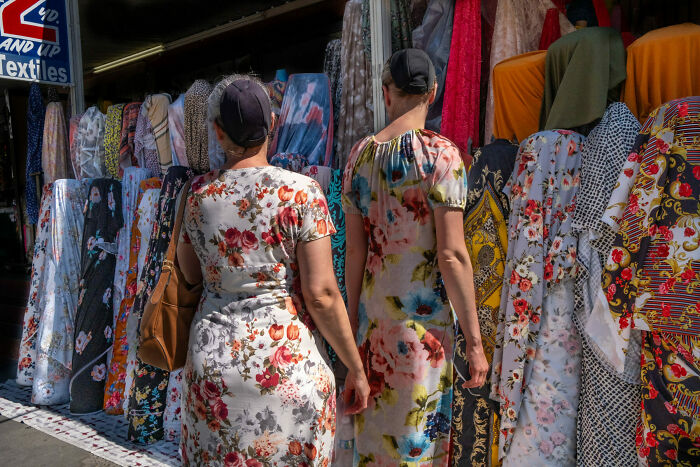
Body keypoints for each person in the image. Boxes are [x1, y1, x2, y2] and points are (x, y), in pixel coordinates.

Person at [176, 74, 370, 466]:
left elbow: (190, 274)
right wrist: (356, 367)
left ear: (217, 132)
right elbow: (322, 295)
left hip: (213, 367)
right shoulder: (301, 193)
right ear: (273, 125)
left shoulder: (197, 196)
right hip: (285, 368)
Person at [343, 48, 488, 465]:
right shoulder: (443, 156)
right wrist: (474, 343)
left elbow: (355, 251)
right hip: (422, 334)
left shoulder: (359, 157)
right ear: (434, 93)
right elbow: (452, 254)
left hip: (373, 332)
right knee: (416, 451)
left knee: (376, 449)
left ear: (386, 93)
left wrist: (353, 325)